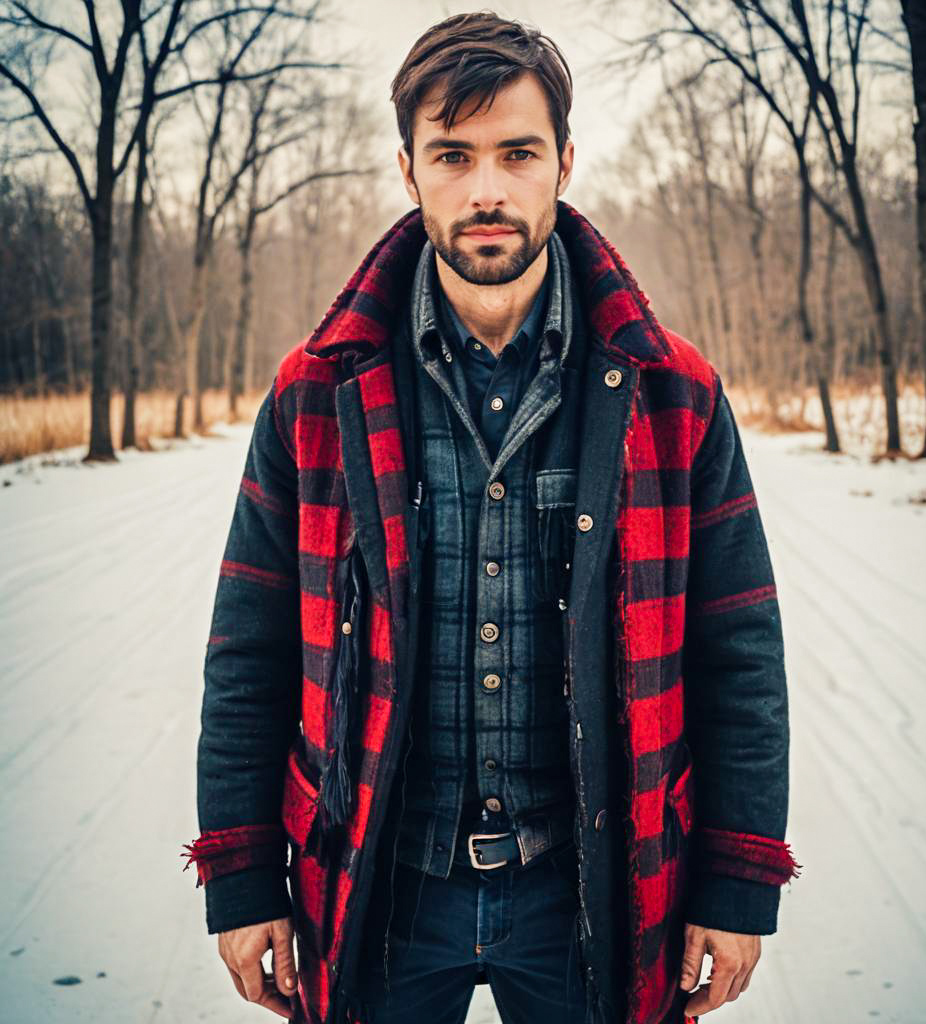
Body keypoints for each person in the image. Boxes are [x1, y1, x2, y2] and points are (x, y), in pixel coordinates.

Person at [182, 12, 801, 1024]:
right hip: (379, 885)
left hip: (594, 892)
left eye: (517, 153)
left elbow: (738, 650)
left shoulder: (671, 392)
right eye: (452, 155)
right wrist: (244, 877)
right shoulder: (316, 393)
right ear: (408, 170)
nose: (486, 190)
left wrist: (736, 884)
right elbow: (249, 648)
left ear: (564, 163)